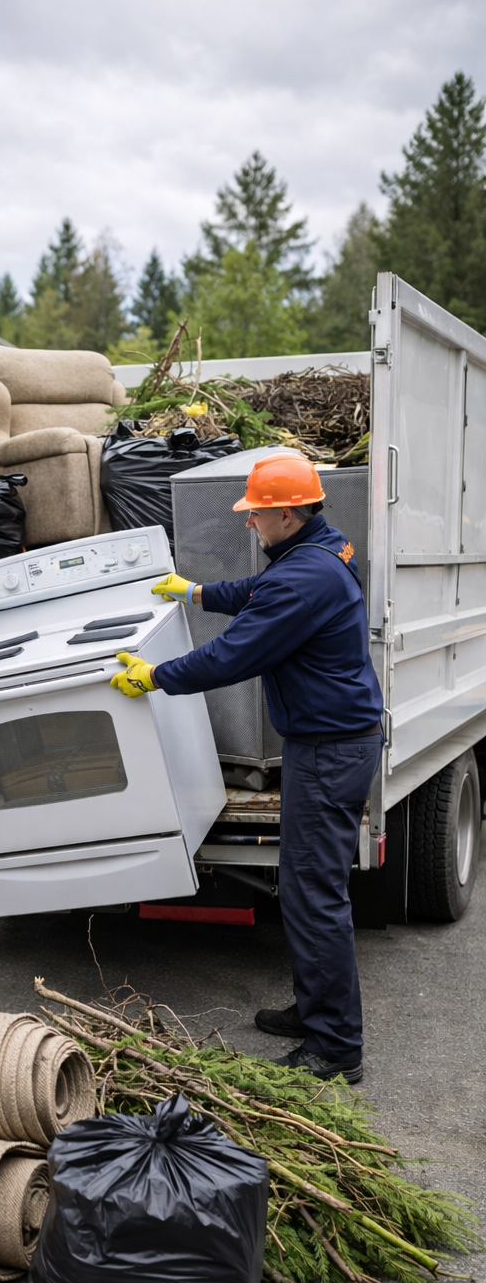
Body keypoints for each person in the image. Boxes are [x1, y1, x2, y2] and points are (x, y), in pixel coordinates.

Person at [111, 454, 383, 1084]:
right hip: (332, 743)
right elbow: (260, 593)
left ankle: (336, 1048)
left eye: (257, 515)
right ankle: (318, 1011)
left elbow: (232, 656)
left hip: (328, 751)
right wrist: (199, 592)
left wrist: (157, 677)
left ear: (287, 514)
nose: (250, 525)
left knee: (314, 898)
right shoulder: (320, 551)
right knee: (304, 888)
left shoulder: (302, 578)